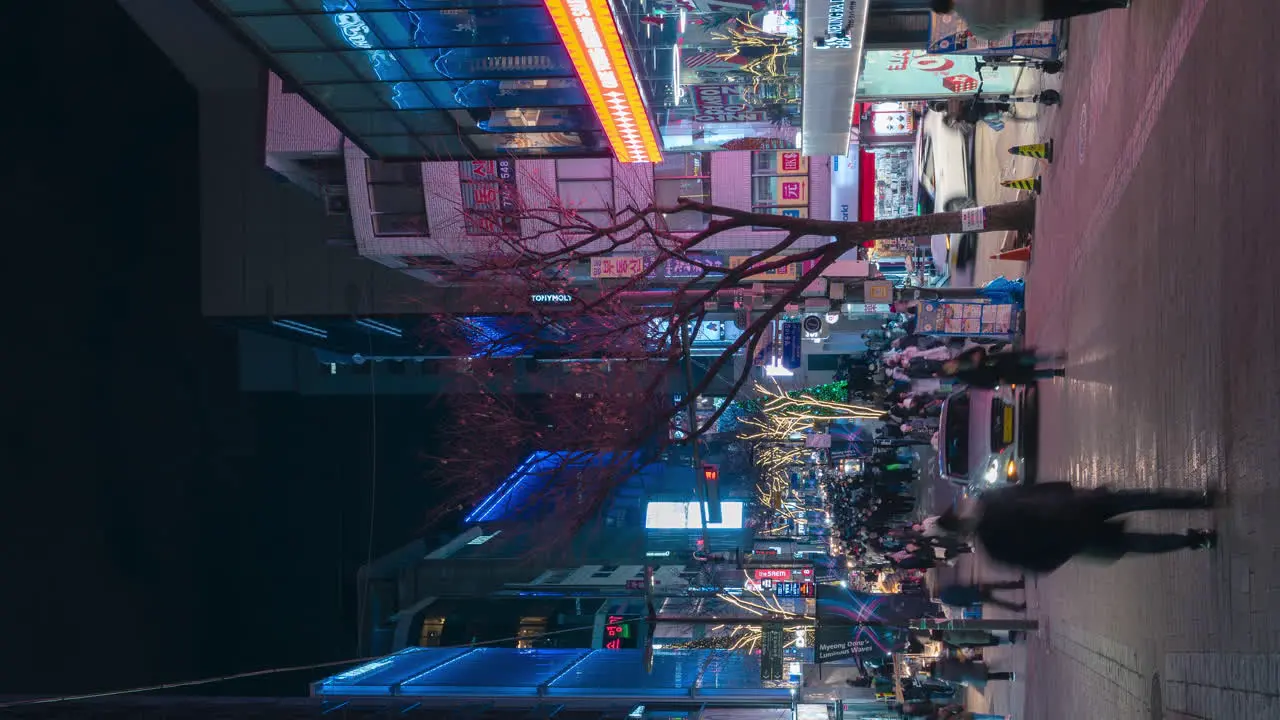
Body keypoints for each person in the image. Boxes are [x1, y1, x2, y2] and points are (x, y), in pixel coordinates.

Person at [939, 483, 1221, 574]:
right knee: (1138, 500)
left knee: (1137, 541)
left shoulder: (993, 547)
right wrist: (1069, 491)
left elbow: (1039, 565)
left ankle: (1197, 540)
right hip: (1075, 510)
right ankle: (1197, 501)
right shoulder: (990, 502)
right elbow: (1034, 489)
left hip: (1073, 536)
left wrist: (1064, 550)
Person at [928, 0, 1130, 41]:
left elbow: (996, 34)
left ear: (947, 11)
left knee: (1077, 6)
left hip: (1034, 12)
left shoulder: (974, 22)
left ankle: (1118, 2)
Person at [936, 579, 1026, 612]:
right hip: (973, 589)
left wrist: (969, 604)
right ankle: (1018, 585)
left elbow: (958, 605)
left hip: (974, 598)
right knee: (998, 586)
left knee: (997, 602)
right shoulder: (946, 590)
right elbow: (958, 586)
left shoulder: (945, 601)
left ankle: (1017, 608)